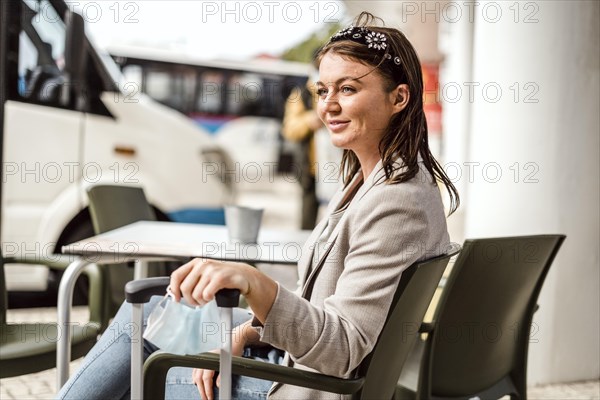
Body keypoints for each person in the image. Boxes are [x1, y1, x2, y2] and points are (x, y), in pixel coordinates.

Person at [56, 11, 459, 400]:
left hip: (307, 389)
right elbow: (326, 303)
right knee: (151, 318)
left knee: (138, 339)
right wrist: (247, 333)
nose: (328, 105)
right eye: (323, 90)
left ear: (399, 97)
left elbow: (342, 348)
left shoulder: (396, 201)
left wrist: (255, 283)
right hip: (298, 367)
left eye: (348, 89)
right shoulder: (375, 182)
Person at [281, 74, 322, 229]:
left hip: (343, 170)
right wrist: (309, 120)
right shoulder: (301, 94)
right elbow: (289, 129)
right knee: (308, 220)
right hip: (310, 168)